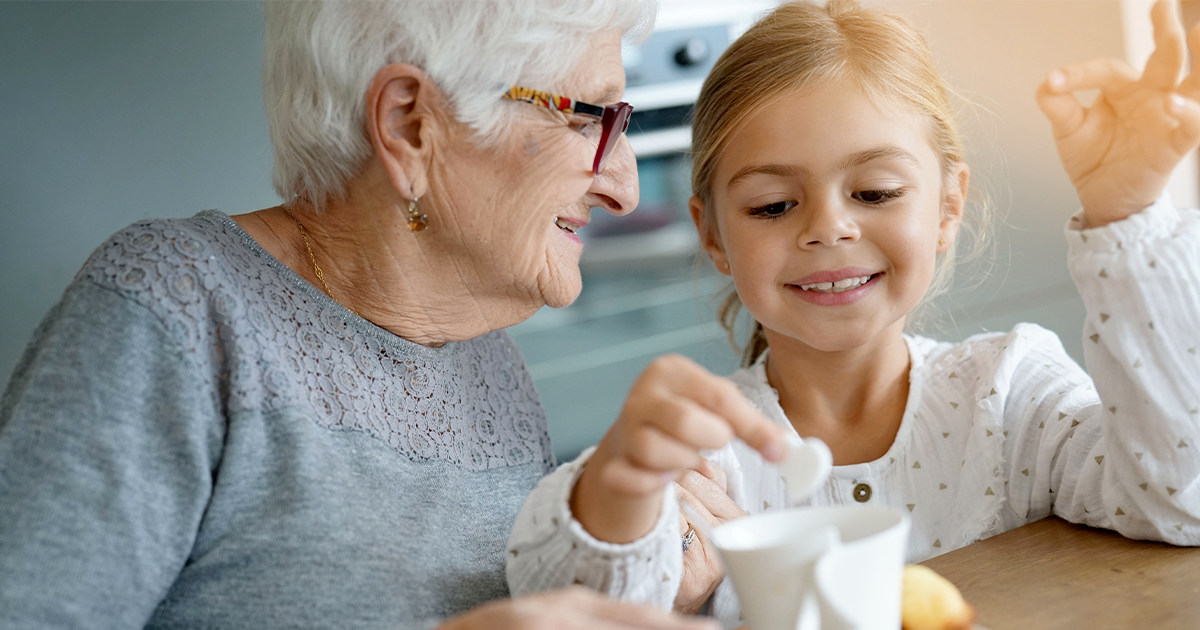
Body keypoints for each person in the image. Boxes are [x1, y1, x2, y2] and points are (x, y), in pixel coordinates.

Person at [0, 1, 789, 628]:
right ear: (411, 125)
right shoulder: (177, 311)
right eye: (590, 120)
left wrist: (647, 583)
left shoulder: (492, 370)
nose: (621, 185)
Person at [506, 0, 1200, 625]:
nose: (829, 228)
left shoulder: (1014, 392)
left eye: (875, 191)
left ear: (948, 207)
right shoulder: (705, 455)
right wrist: (619, 501)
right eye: (773, 206)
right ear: (714, 234)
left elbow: (1177, 500)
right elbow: (566, 594)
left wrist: (1126, 215)